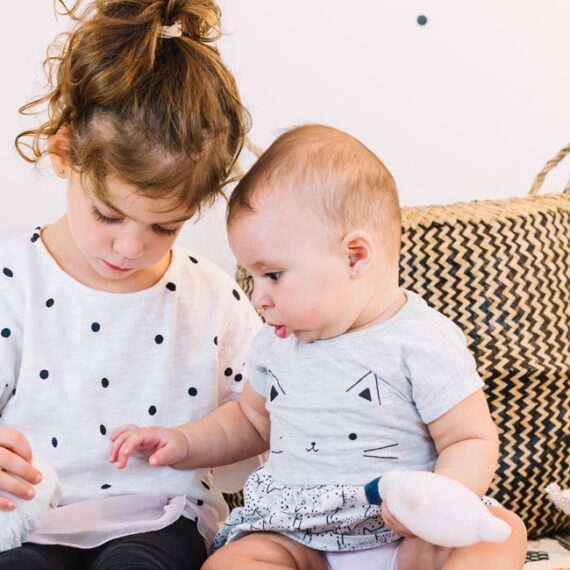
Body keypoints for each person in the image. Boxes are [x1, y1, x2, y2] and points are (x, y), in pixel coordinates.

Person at [110, 124, 528, 569]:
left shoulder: (422, 341)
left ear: (355, 257)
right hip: (298, 533)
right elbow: (249, 422)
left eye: (272, 275)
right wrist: (183, 442)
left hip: (407, 533)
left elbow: (469, 437)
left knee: (499, 534)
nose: (259, 297)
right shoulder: (274, 345)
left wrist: (443, 501)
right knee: (231, 563)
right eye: (253, 277)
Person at [0, 1, 261, 568]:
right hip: (31, 521)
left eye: (164, 227)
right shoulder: (12, 282)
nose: (130, 247)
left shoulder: (212, 299)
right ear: (64, 152)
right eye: (108, 215)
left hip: (160, 518)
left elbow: (263, 421)